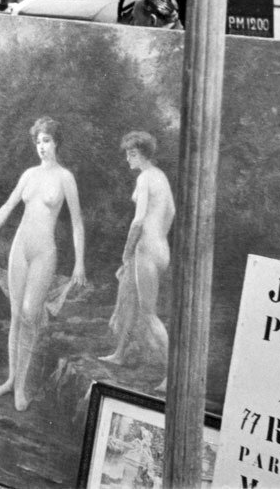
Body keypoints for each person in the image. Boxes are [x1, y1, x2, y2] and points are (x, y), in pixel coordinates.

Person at [0, 116, 86, 411]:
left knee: (29, 314)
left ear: (57, 142)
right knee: (15, 314)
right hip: (20, 248)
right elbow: (8, 205)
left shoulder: (65, 178)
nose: (41, 146)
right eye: (38, 141)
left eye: (47, 140)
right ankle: (12, 380)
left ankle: (22, 388)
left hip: (44, 252)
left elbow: (76, 223)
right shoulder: (28, 175)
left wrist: (79, 263)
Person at [100, 131, 175, 391]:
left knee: (149, 313)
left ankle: (172, 374)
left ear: (142, 154)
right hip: (161, 248)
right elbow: (171, 212)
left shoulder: (145, 178)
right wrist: (159, 238)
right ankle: (120, 353)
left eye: (131, 154)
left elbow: (139, 220)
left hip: (145, 249)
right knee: (130, 298)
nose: (127, 159)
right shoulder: (161, 176)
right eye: (127, 154)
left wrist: (127, 251)